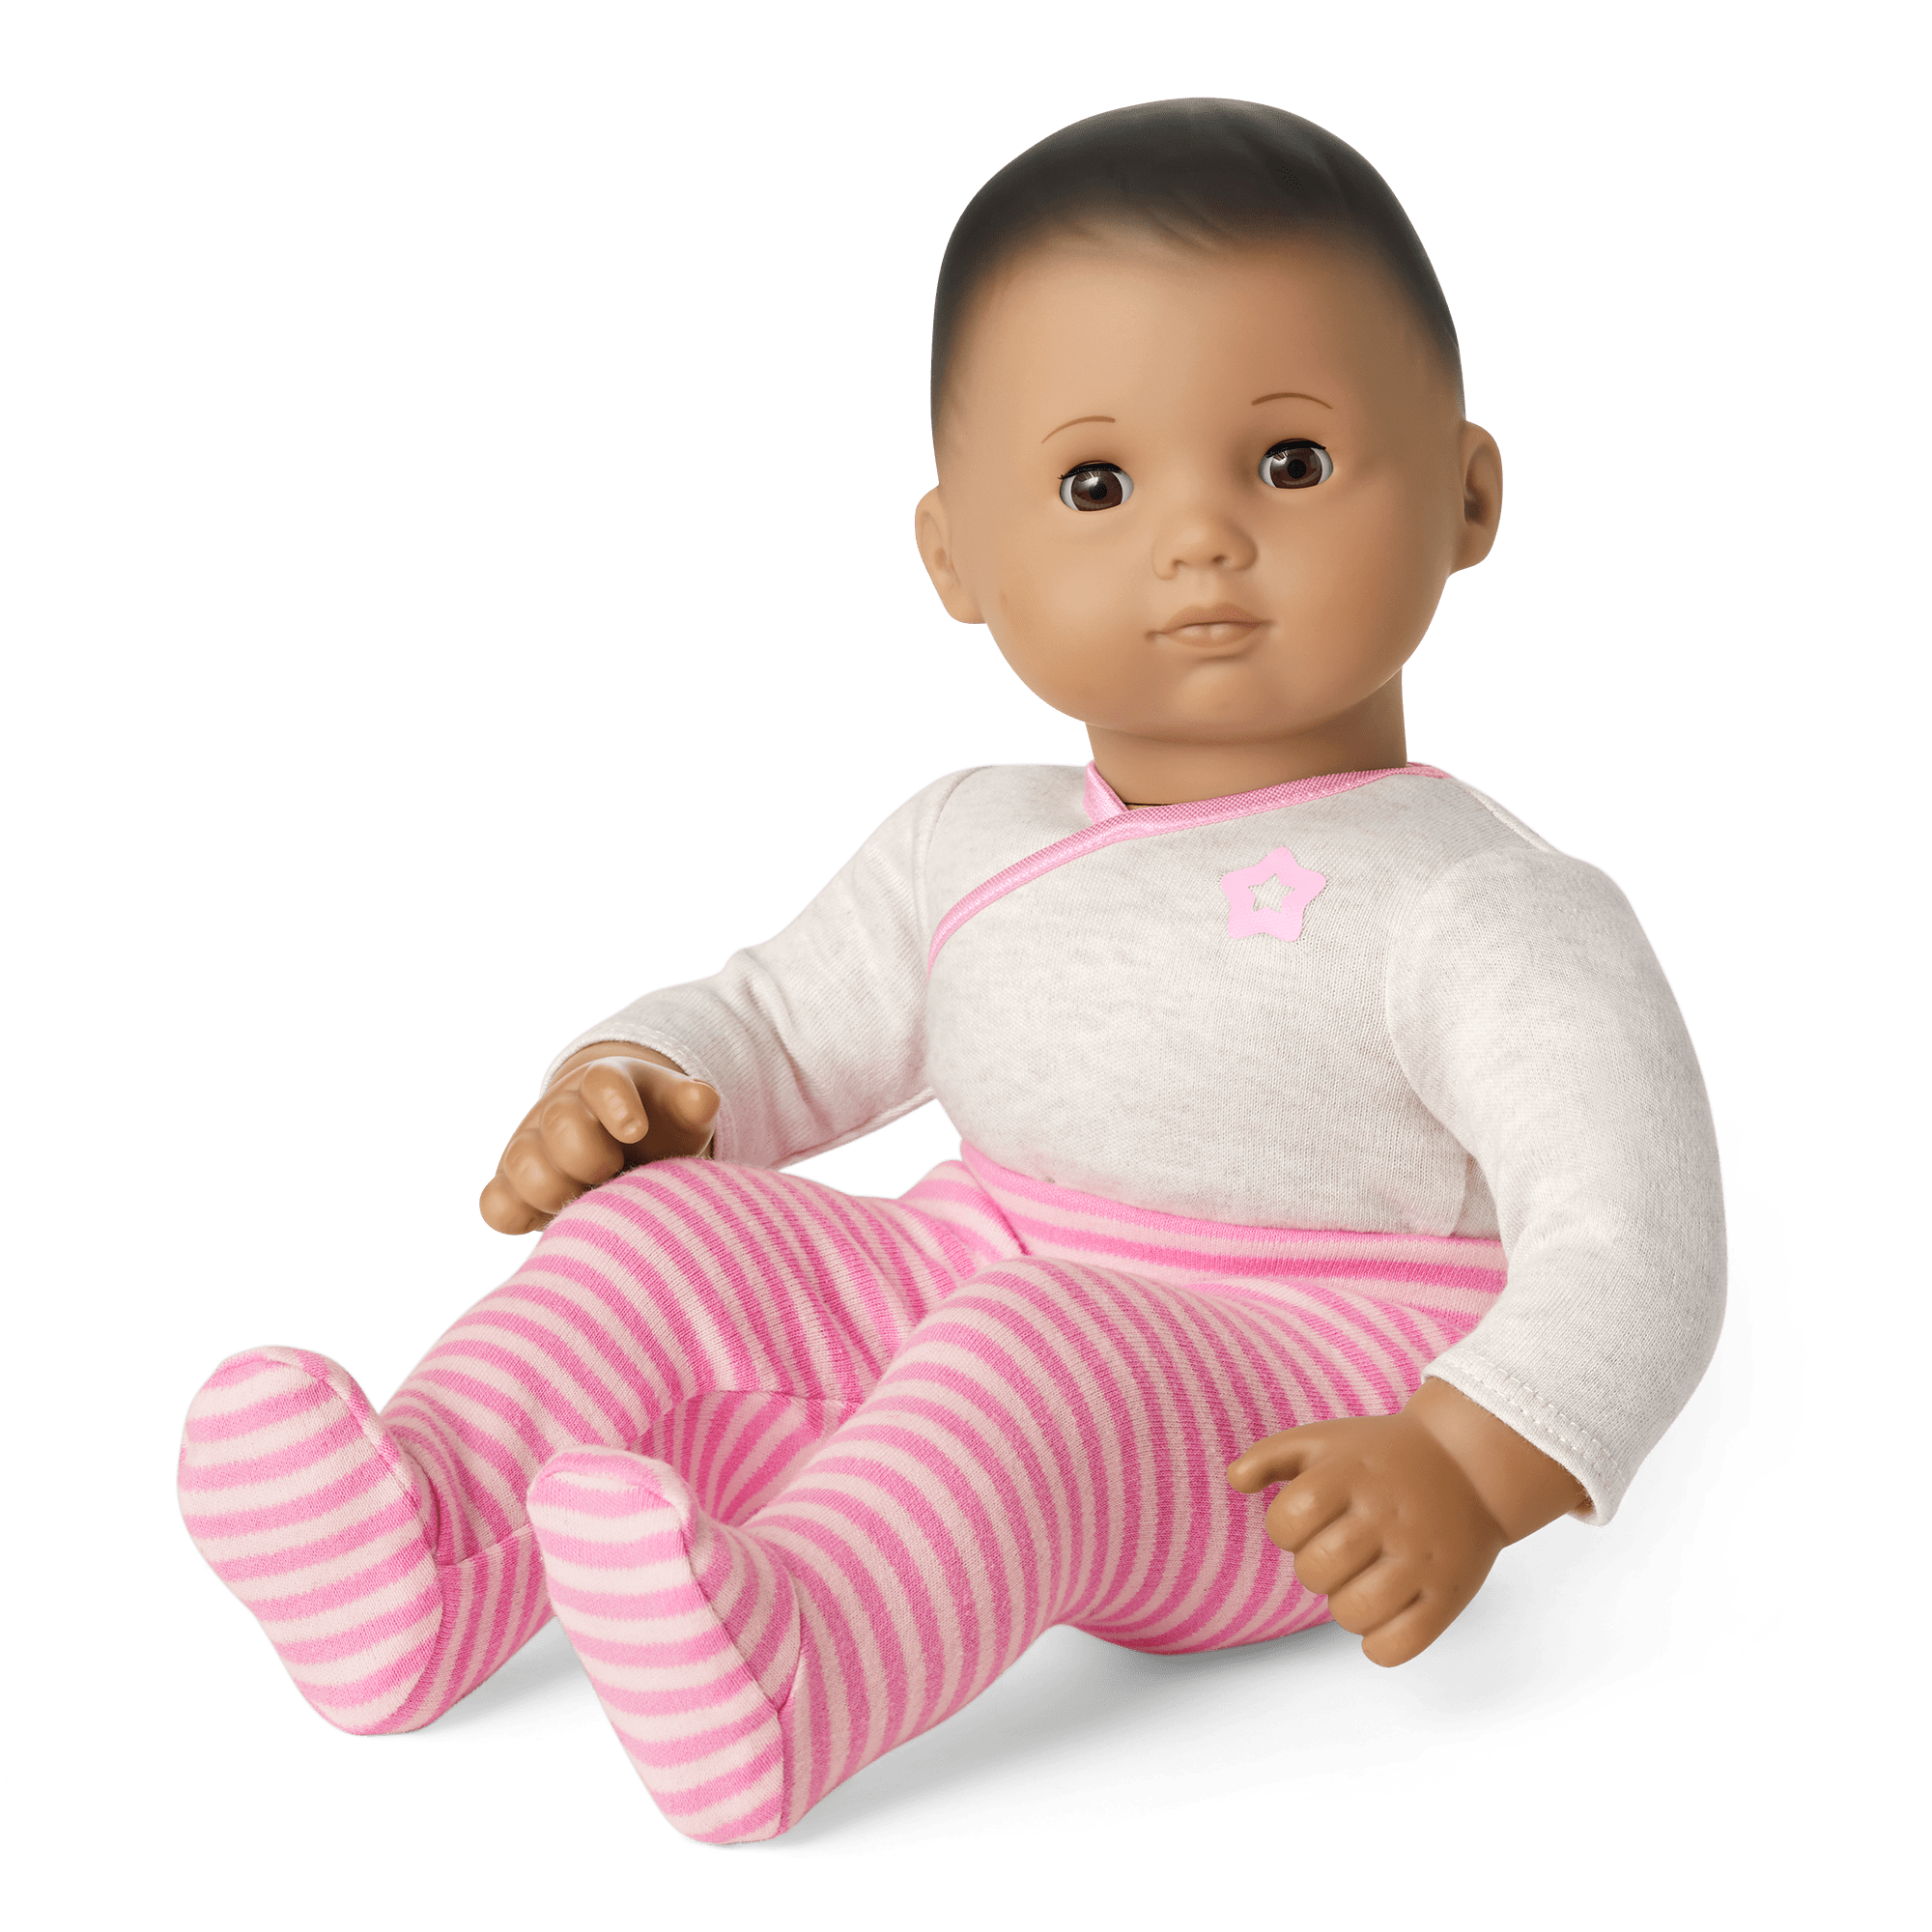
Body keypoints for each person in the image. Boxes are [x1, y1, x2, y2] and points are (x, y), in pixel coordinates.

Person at [177, 99, 1727, 1846]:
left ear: (1468, 491)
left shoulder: (1485, 900)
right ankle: (422, 1546)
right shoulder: (969, 835)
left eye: (1289, 461)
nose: (1199, 537)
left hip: (1310, 1407)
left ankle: (800, 1658)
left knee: (1036, 1348)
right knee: (670, 1233)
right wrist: (639, 1088)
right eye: (1097, 485)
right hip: (972, 1266)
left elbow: (1641, 1237)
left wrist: (1467, 1462)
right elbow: (778, 1021)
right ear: (955, 559)